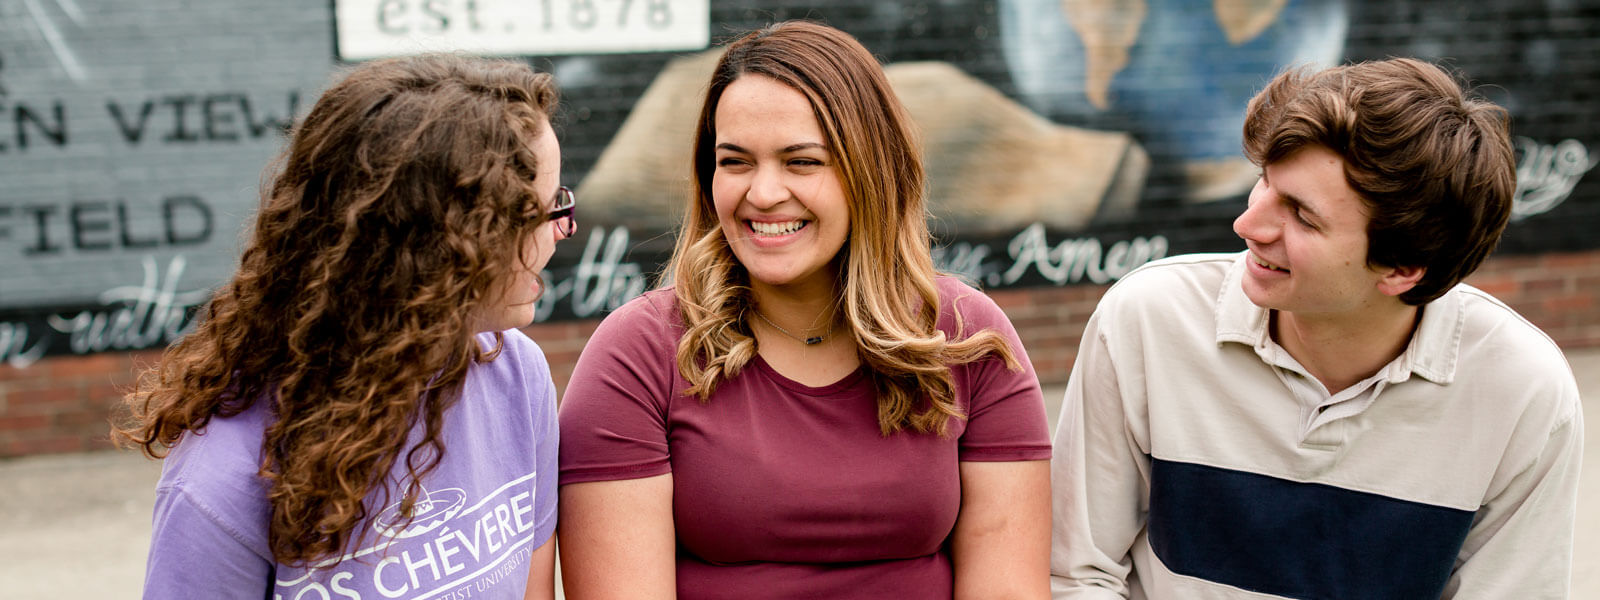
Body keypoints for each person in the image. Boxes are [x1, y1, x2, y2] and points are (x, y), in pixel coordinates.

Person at [1051, 58, 1584, 598]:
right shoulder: (1147, 320)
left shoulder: (1521, 390)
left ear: (1402, 268)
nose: (1247, 225)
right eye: (1264, 183)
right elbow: (1077, 573)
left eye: (1303, 216)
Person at [557, 20, 1052, 599]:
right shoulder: (639, 352)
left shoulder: (967, 337)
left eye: (802, 162)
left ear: (872, 171)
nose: (763, 194)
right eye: (735, 161)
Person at [116, 54, 574, 599]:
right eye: (537, 213)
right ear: (430, 241)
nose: (565, 229)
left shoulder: (516, 374)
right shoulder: (221, 479)